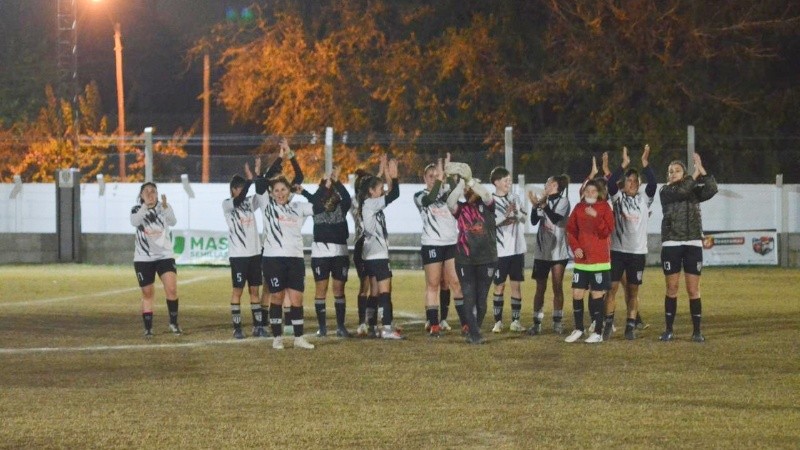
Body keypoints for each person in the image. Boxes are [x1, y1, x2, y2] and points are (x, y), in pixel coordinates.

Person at [255, 138, 315, 350]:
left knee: (297, 298)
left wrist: (292, 155)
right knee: (277, 297)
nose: (280, 193)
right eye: (277, 190)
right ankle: (277, 338)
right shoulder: (266, 204)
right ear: (272, 193)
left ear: (289, 191)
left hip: (295, 258)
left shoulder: (297, 207)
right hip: (273, 259)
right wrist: (281, 157)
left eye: (284, 190)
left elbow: (316, 200)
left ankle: (299, 338)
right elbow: (262, 182)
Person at [658, 153, 717, 342]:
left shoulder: (692, 190)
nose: (673, 173)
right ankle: (669, 330)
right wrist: (695, 173)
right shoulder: (665, 191)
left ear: (683, 174)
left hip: (692, 243)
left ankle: (697, 331)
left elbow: (712, 189)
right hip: (672, 243)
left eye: (677, 171)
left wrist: (702, 169)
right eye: (670, 171)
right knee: (672, 288)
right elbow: (682, 191)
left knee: (693, 289)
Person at [605, 145, 656, 340]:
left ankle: (630, 326)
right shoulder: (617, 198)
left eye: (636, 181)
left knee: (633, 291)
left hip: (637, 253)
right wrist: (623, 165)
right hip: (617, 251)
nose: (633, 183)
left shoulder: (644, 200)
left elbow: (653, 184)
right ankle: (608, 325)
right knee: (611, 288)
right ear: (624, 183)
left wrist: (645, 163)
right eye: (629, 180)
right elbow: (611, 184)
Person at [446, 161, 497, 344]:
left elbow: (486, 194)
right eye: (468, 188)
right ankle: (474, 333)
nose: (470, 190)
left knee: (481, 300)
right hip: (464, 259)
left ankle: (475, 328)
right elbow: (450, 202)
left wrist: (470, 180)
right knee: (468, 296)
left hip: (487, 258)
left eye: (472, 187)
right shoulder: (461, 209)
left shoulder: (488, 205)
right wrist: (461, 183)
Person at [413, 155, 463, 337]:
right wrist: (441, 180)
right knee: (433, 284)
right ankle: (434, 324)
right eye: (431, 176)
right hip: (432, 244)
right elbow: (430, 199)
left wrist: (449, 173)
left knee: (455, 283)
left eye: (436, 175)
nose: (434, 178)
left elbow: (456, 197)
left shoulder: (447, 193)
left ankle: (466, 324)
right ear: (424, 178)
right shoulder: (420, 196)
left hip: (451, 243)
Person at [302, 165, 353, 338]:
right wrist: (326, 183)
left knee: (339, 290)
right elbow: (315, 198)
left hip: (339, 252)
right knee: (321, 290)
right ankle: (322, 327)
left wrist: (337, 181)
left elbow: (347, 198)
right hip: (320, 253)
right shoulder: (316, 206)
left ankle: (340, 326)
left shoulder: (341, 206)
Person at [358, 155, 403, 339]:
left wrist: (385, 174)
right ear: (371, 191)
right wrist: (395, 176)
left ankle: (372, 326)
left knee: (375, 292)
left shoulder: (368, 204)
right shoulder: (371, 203)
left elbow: (389, 194)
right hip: (377, 255)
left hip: (370, 255)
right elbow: (394, 194)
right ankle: (386, 328)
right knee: (385, 292)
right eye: (379, 189)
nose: (382, 191)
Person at [222, 160, 267, 339]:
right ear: (233, 190)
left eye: (243, 188)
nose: (242, 191)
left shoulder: (249, 202)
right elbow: (240, 199)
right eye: (239, 188)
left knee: (255, 291)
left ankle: (258, 327)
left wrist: (259, 174)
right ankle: (237, 328)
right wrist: (249, 181)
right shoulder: (227, 204)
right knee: (238, 291)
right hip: (239, 256)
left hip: (254, 254)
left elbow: (261, 192)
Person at [565, 178, 614, 343]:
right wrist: (575, 248)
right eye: (587, 191)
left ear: (598, 192)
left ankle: (598, 332)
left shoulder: (604, 207)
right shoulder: (579, 208)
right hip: (582, 262)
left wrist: (596, 217)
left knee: (597, 294)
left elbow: (606, 232)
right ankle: (579, 329)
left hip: (599, 260)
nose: (590, 193)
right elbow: (571, 230)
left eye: (593, 191)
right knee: (577, 293)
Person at [130, 182, 181, 338]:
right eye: (146, 191)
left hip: (165, 256)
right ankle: (148, 328)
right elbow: (135, 222)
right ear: (141, 195)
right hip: (143, 258)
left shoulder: (164, 207)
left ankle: (173, 323)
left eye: (153, 191)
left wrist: (165, 207)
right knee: (147, 293)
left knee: (171, 289)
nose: (150, 193)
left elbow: (173, 221)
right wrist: (145, 205)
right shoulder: (137, 209)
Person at [526, 174, 571, 335]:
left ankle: (557, 322)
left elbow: (556, 219)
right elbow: (533, 221)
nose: (545, 185)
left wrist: (544, 205)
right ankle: (536, 323)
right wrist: (534, 207)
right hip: (541, 252)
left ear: (555, 186)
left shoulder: (564, 201)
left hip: (558, 251)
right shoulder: (542, 201)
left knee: (557, 286)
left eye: (548, 182)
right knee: (540, 288)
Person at [489, 166, 528, 333]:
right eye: (506, 180)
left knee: (516, 286)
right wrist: (506, 215)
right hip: (500, 251)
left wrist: (517, 214)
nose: (509, 183)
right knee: (499, 286)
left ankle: (515, 321)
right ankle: (498, 322)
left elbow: (524, 218)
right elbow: (490, 224)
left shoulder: (515, 198)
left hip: (517, 250)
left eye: (510, 180)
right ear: (496, 182)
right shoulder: (490, 201)